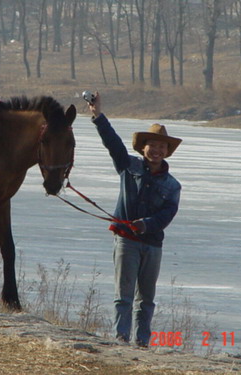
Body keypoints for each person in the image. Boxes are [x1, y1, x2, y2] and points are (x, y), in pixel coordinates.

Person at [87, 92, 182, 348]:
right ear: (143, 147)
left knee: (147, 299)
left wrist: (146, 224)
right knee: (124, 296)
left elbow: (167, 214)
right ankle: (121, 338)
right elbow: (112, 142)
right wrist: (98, 115)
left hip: (152, 245)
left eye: (162, 147)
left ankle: (142, 342)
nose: (157, 150)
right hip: (126, 242)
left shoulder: (173, 185)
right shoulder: (128, 166)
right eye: (152, 145)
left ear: (167, 152)